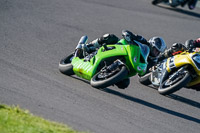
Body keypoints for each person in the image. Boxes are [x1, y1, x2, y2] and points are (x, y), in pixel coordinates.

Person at [74, 30, 167, 88]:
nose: (155, 53)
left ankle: (106, 75)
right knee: (110, 37)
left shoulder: (151, 61)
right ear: (151, 44)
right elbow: (127, 32)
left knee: (125, 83)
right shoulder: (143, 41)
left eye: (158, 52)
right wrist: (129, 36)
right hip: (120, 48)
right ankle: (90, 46)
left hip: (128, 65)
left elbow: (144, 73)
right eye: (155, 49)